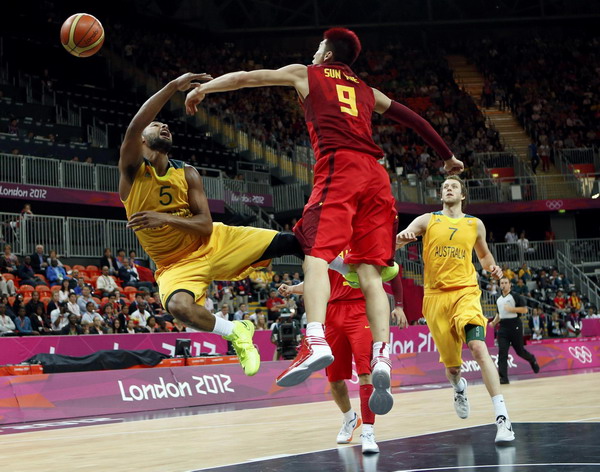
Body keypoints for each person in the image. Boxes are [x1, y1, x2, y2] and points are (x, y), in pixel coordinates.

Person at [185, 28, 463, 404]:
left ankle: (314, 340)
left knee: (314, 253)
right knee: (370, 273)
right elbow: (415, 120)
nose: (313, 53)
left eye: (318, 48)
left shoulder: (307, 73)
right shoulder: (367, 90)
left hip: (341, 166)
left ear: (328, 54)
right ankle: (382, 355)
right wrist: (447, 157)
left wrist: (205, 89)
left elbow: (248, 79)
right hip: (377, 177)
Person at [119, 72, 308, 377]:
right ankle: (236, 331)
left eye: (166, 125)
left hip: (212, 242)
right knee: (178, 307)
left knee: (291, 242)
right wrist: (171, 86)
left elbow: (205, 225)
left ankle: (343, 273)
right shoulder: (131, 172)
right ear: (142, 139)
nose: (164, 125)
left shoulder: (188, 173)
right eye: (157, 125)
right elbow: (135, 125)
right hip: (174, 264)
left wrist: (163, 218)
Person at [396, 175, 515, 443]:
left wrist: (491, 267)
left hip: (466, 293)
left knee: (478, 348)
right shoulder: (427, 220)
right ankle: (458, 386)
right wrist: (403, 238)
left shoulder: (475, 224)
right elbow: (397, 242)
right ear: (441, 195)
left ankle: (502, 418)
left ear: (462, 196)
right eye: (445, 187)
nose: (448, 189)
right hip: (435, 298)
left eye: (454, 187)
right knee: (453, 368)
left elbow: (484, 256)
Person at [279, 257, 406, 454]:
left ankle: (368, 431)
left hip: (361, 309)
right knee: (335, 378)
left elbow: (394, 270)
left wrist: (399, 305)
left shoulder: (364, 242)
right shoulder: (328, 245)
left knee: (366, 374)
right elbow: (317, 281)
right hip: (333, 312)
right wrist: (293, 288)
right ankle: (350, 418)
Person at [491, 277, 540, 384]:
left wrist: (512, 309)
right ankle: (503, 378)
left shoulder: (515, 296)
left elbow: (525, 309)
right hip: (503, 326)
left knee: (520, 351)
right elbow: (499, 314)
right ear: (500, 285)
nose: (503, 284)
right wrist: (493, 323)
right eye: (502, 283)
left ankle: (532, 359)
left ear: (509, 285)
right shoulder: (498, 299)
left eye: (505, 283)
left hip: (515, 325)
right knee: (502, 352)